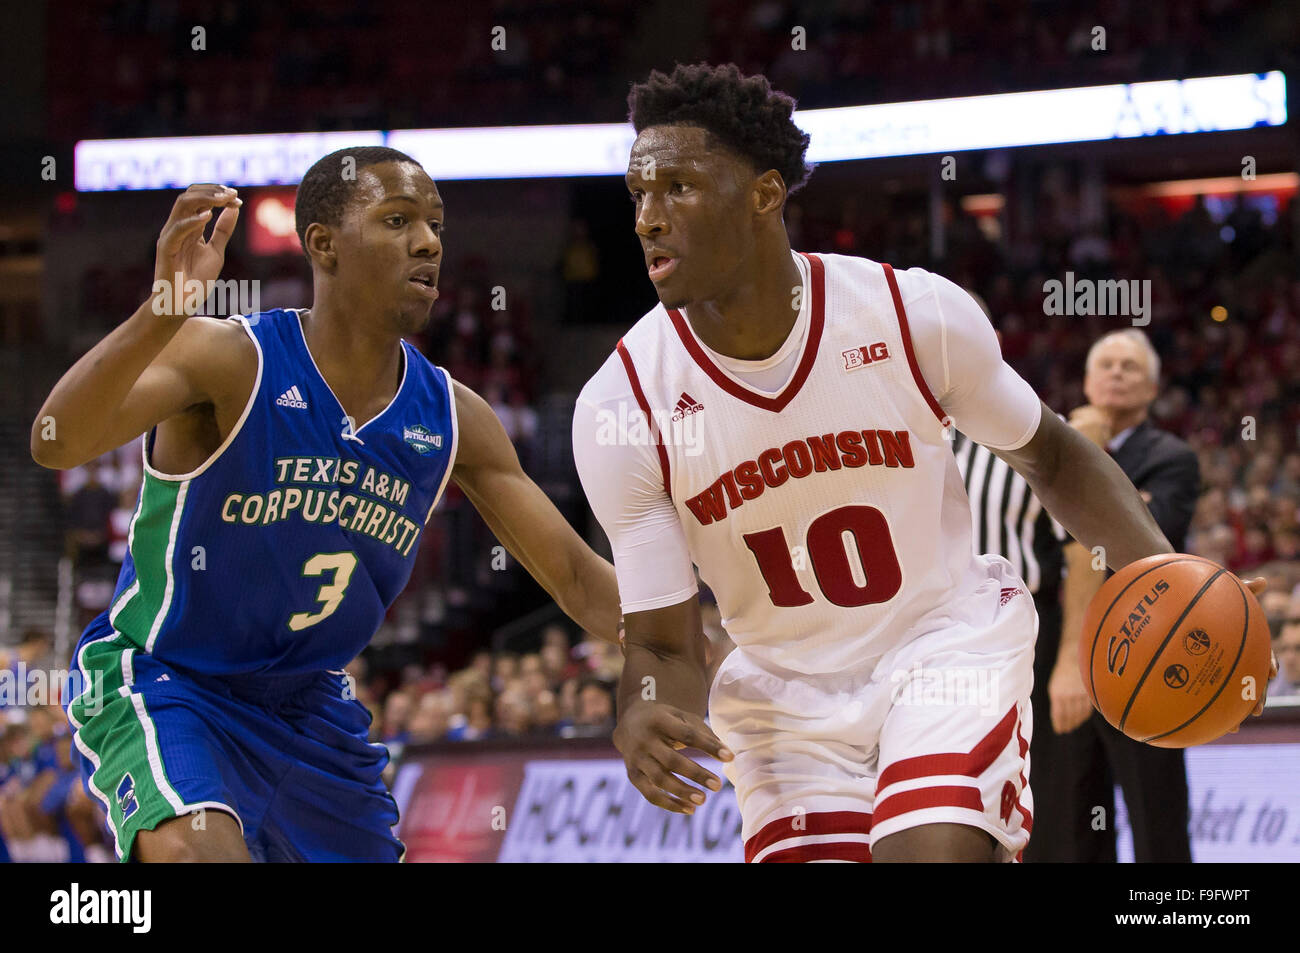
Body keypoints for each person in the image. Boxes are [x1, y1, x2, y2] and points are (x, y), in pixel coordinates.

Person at [571, 62, 1272, 863]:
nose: (647, 220)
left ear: (766, 193)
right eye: (638, 196)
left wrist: (1162, 572)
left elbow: (1050, 453)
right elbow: (664, 641)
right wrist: (645, 705)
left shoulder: (910, 315)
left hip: (940, 646)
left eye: (679, 189)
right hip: (784, 697)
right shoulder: (622, 405)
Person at [32, 146, 620, 862]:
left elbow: (586, 586)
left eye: (434, 223)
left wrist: (730, 648)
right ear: (323, 245)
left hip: (311, 708)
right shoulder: (230, 360)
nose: (429, 240)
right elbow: (56, 440)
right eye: (398, 219)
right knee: (194, 852)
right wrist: (162, 313)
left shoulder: (453, 418)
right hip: (170, 680)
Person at [1040, 330, 1205, 862]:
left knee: (1156, 812)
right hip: (1065, 646)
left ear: (1153, 388)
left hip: (1150, 651)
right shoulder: (1049, 450)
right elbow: (1047, 547)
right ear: (1086, 381)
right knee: (1073, 814)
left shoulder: (1173, 455)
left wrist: (1086, 459)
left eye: (1129, 367)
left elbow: (1145, 541)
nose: (1115, 373)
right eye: (1105, 364)